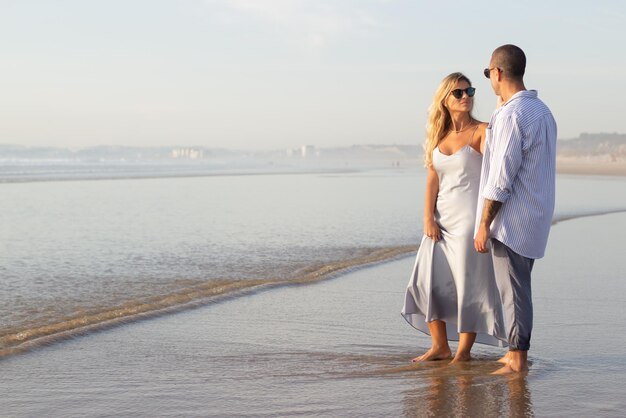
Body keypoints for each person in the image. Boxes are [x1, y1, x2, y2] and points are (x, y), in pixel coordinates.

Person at [402, 72, 507, 364]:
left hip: (469, 222)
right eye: (458, 93)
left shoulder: (482, 131)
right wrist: (427, 218)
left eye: (469, 91)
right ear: (445, 100)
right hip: (440, 221)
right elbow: (432, 179)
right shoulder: (440, 135)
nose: (466, 96)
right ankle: (440, 346)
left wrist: (486, 223)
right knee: (428, 281)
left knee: (468, 285)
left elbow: (498, 169)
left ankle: (463, 352)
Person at [474, 44, 557, 374]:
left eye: (488, 74)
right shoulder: (541, 111)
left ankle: (518, 359)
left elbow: (501, 178)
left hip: (513, 220)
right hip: (535, 215)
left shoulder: (511, 116)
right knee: (516, 289)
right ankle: (513, 351)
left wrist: (483, 224)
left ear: (497, 73)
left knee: (514, 293)